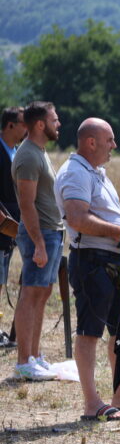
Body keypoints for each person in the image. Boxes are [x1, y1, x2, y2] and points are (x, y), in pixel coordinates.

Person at [54, 118, 120, 421]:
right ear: (91, 142)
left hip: (109, 262)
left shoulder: (95, 172)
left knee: (118, 331)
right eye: (109, 140)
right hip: (91, 262)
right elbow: (77, 218)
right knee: (89, 332)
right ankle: (91, 403)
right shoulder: (76, 172)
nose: (114, 145)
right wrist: (119, 233)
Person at [10, 101, 64, 380]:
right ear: (40, 124)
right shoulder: (29, 156)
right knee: (30, 293)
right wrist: (39, 244)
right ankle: (23, 362)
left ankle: (34, 355)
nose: (59, 125)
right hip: (39, 234)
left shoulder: (39, 152)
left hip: (51, 232)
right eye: (55, 120)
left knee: (42, 294)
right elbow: (27, 205)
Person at [0, 106, 26, 350]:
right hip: (2, 226)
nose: (26, 128)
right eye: (22, 123)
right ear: (9, 125)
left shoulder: (17, 151)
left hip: (13, 229)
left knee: (3, 276)